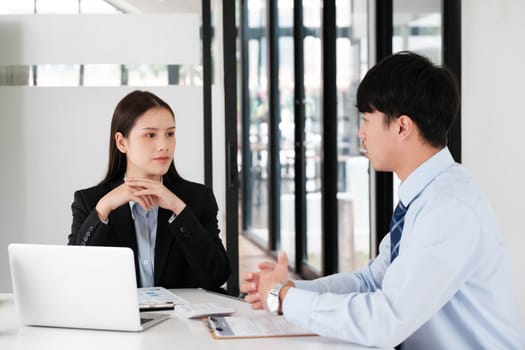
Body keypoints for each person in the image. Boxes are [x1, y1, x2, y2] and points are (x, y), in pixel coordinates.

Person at [241, 52, 525, 349]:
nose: (360, 134)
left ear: (402, 127)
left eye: (366, 119)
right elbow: (371, 282)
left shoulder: (448, 208)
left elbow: (387, 320)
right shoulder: (424, 195)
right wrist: (288, 289)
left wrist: (284, 298)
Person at [69, 90, 230, 293]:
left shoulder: (197, 198)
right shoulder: (90, 201)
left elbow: (216, 276)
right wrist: (103, 208)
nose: (164, 146)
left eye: (170, 134)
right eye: (150, 135)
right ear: (121, 142)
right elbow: (75, 273)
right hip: (118, 321)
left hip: (181, 322)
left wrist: (178, 209)